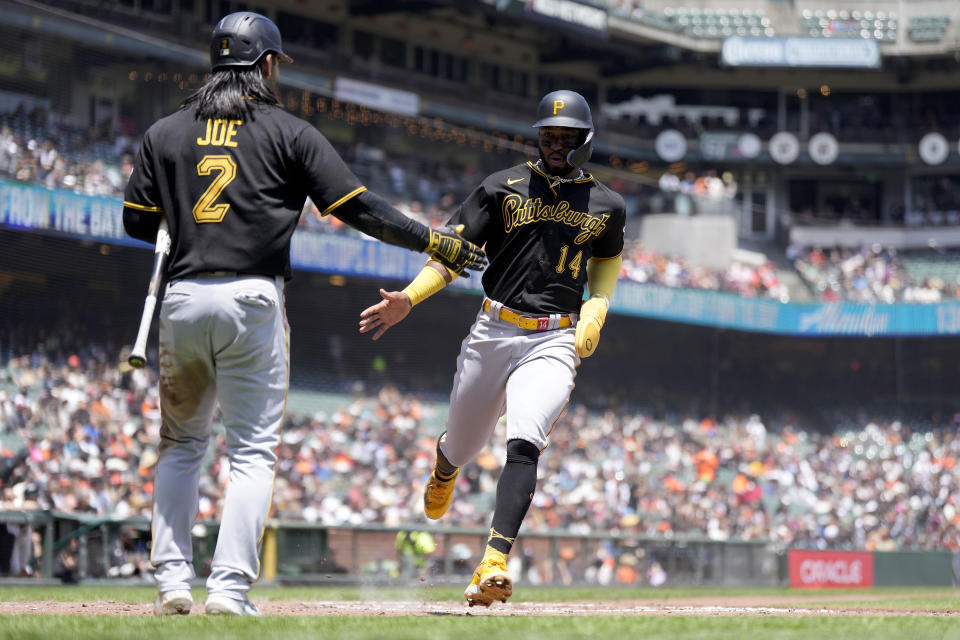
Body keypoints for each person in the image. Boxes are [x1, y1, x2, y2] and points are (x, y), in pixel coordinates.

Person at [121, 12, 485, 617]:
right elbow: (359, 208)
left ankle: (172, 585)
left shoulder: (164, 132)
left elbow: (136, 221)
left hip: (182, 297)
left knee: (182, 445)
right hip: (252, 299)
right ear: (266, 65)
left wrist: (178, 214)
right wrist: (432, 241)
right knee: (252, 451)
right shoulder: (289, 131)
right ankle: (229, 591)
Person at [359, 89, 625, 606]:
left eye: (566, 137)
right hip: (493, 328)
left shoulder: (607, 205)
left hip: (553, 337)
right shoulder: (500, 188)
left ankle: (494, 561)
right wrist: (409, 299)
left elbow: (608, 258)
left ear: (584, 141)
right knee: (463, 442)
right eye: (549, 135)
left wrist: (601, 303)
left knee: (524, 440)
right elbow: (454, 253)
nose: (555, 144)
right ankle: (445, 466)